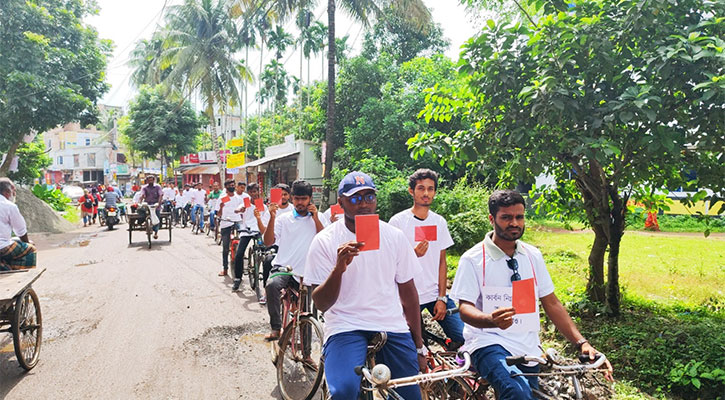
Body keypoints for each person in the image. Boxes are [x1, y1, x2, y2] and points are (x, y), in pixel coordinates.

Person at [450, 190, 613, 399]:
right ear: (492, 219)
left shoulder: (532, 255)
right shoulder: (472, 259)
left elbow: (551, 303)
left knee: (531, 395)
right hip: (487, 343)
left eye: (519, 217)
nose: (514, 223)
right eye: (506, 217)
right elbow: (465, 308)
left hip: (527, 347)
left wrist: (582, 343)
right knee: (516, 392)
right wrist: (490, 320)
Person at [305, 171, 425, 400]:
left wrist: (419, 346)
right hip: (345, 324)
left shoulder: (394, 236)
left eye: (369, 197)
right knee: (344, 392)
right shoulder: (325, 240)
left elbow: (409, 294)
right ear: (340, 202)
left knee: (410, 394)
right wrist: (338, 269)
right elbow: (321, 303)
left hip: (390, 323)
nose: (364, 204)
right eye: (355, 198)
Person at [389, 169, 465, 347]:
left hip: (433, 294)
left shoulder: (439, 222)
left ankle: (449, 365)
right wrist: (412, 254)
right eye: (421, 188)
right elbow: (389, 264)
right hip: (406, 295)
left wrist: (442, 298)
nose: (426, 193)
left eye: (430, 189)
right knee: (404, 344)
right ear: (411, 191)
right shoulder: (398, 222)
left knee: (462, 336)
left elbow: (442, 262)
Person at [263, 180, 324, 340]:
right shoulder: (283, 218)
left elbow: (325, 240)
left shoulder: (318, 217)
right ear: (292, 198)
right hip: (283, 267)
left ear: (310, 198)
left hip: (307, 272)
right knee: (271, 286)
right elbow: (268, 241)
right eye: (296, 199)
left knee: (307, 313)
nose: (299, 202)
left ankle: (307, 355)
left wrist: (316, 218)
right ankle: (276, 327)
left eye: (303, 199)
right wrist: (271, 218)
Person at [259, 183, 293, 302]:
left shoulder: (293, 210)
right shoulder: (271, 210)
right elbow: (264, 232)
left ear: (289, 196)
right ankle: (266, 291)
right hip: (274, 245)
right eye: (280, 194)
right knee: (268, 261)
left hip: (290, 247)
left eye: (285, 194)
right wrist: (267, 217)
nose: (283, 197)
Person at [232, 183, 268, 291]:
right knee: (239, 254)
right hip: (246, 230)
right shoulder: (245, 203)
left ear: (258, 192)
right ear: (249, 193)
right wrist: (241, 210)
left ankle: (264, 278)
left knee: (265, 253)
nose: (254, 194)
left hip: (258, 230)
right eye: (251, 191)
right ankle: (238, 278)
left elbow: (265, 218)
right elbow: (237, 210)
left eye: (255, 191)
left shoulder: (262, 205)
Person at [0, 178, 37, 271]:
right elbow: (20, 230)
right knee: (30, 249)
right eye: (14, 191)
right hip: (2, 246)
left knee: (13, 242)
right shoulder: (9, 205)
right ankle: (15, 272)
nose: (14, 194)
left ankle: (4, 266)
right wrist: (27, 243)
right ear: (8, 192)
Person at [217, 180, 244, 277]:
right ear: (226, 187)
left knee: (242, 243)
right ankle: (225, 269)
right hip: (225, 223)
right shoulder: (222, 198)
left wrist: (241, 210)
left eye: (233, 185)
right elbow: (218, 214)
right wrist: (221, 207)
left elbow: (242, 211)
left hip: (237, 222)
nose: (232, 186)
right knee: (225, 248)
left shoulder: (238, 199)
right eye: (230, 185)